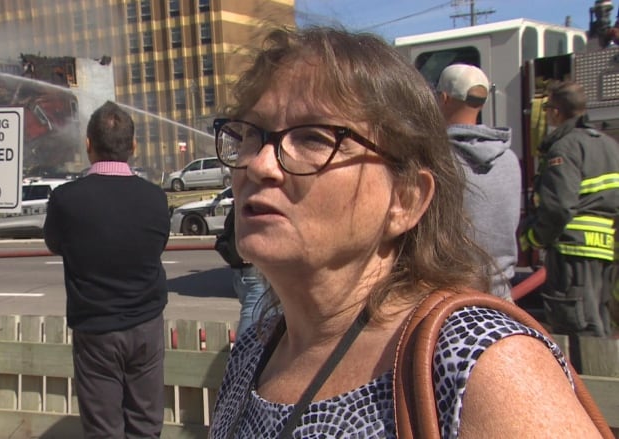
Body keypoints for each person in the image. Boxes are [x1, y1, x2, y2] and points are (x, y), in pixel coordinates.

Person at [208, 27, 603, 438]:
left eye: (313, 137)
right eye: (252, 135)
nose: (258, 165)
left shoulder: (477, 363)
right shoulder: (256, 348)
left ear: (406, 199)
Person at [43, 101, 170, 438]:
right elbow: (157, 246)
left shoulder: (65, 200)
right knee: (146, 424)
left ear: (88, 145)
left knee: (103, 429)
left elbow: (54, 244)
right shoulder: (156, 199)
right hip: (146, 325)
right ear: (133, 147)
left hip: (96, 329)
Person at [521, 80, 619, 338]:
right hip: (605, 250)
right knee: (600, 322)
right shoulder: (609, 145)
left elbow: (558, 207)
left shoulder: (564, 147)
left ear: (555, 111)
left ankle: (584, 379)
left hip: (572, 252)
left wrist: (533, 236)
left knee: (577, 328)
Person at [435, 63, 521, 300]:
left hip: (452, 298)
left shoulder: (438, 159)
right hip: (502, 296)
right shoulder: (509, 158)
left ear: (443, 98)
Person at [214, 204, 271, 336]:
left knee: (256, 338)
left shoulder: (243, 202)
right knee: (248, 341)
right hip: (256, 275)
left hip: (246, 272)